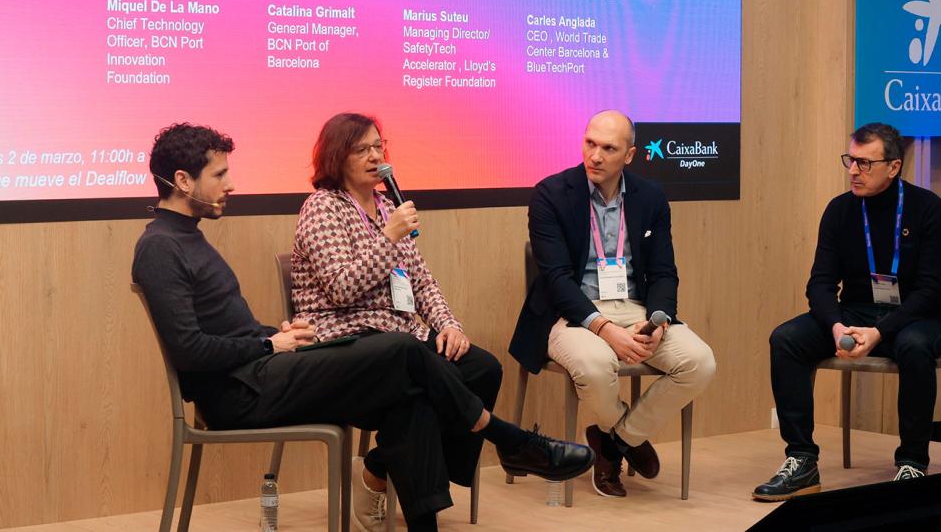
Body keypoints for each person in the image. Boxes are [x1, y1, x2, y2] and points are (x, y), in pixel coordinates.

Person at [132, 123, 593, 532]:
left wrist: (280, 332)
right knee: (403, 353)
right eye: (219, 175)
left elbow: (229, 327)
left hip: (261, 369)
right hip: (237, 394)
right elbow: (190, 352)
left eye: (380, 147)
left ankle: (416, 507)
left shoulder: (188, 238)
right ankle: (507, 439)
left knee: (414, 392)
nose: (230, 185)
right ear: (183, 181)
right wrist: (268, 342)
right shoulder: (160, 248)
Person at [292, 113, 503, 527]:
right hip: (349, 345)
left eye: (378, 146)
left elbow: (420, 280)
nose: (375, 156)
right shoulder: (321, 209)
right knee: (415, 396)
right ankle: (420, 510)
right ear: (338, 157)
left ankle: (378, 465)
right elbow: (341, 288)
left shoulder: (387, 204)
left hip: (401, 338)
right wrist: (387, 237)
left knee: (482, 368)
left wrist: (448, 325)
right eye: (362, 149)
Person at [509, 110, 716, 498]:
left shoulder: (651, 197)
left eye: (609, 148)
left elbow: (664, 271)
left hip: (636, 309)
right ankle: (627, 440)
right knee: (597, 363)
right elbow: (554, 279)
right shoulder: (550, 194)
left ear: (630, 155)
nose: (596, 156)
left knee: (700, 362)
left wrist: (658, 323)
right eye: (590, 143)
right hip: (571, 314)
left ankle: (614, 441)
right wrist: (606, 330)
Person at [753, 123, 941, 502]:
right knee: (787, 339)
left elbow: (929, 291)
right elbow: (820, 284)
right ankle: (801, 459)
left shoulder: (928, 209)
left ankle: (912, 462)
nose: (853, 171)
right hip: (855, 311)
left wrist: (881, 332)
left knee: (912, 345)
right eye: (850, 160)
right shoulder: (841, 210)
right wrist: (835, 325)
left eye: (864, 163)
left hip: (917, 316)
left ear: (893, 167)